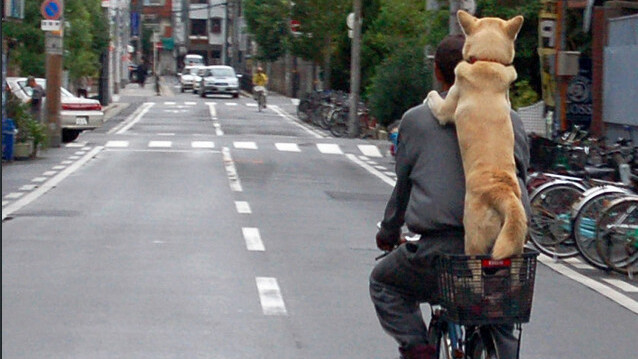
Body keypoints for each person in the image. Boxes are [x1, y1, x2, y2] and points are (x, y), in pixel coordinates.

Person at [369, 34, 531, 359]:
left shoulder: (416, 119)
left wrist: (389, 233)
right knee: (498, 313)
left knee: (384, 282)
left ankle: (418, 349)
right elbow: (521, 178)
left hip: (438, 253)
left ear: (440, 74)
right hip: (498, 249)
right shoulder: (510, 118)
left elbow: (403, 188)